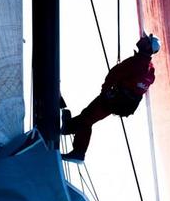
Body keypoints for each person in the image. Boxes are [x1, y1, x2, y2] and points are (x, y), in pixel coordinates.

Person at [61, 33, 161, 163]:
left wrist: (105, 92)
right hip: (123, 104)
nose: (142, 39)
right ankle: (68, 127)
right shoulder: (149, 68)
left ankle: (79, 152)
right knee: (88, 116)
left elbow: (114, 74)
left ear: (147, 47)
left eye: (145, 40)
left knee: (87, 119)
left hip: (114, 99)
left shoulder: (136, 63)